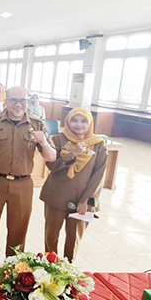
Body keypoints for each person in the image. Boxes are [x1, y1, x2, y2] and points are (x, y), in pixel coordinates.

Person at [0, 86, 56, 271]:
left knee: (19, 225)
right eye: (13, 100)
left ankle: (13, 262)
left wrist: (42, 141)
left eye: (22, 101)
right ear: (6, 101)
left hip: (22, 183)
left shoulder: (37, 125)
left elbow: (51, 157)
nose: (18, 104)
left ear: (28, 102)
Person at [40, 108, 107, 262]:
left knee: (73, 238)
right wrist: (74, 153)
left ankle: (68, 271)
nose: (79, 125)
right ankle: (50, 269)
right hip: (56, 197)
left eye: (83, 121)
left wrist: (85, 200)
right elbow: (52, 166)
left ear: (90, 122)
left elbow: (99, 175)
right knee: (51, 236)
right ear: (67, 122)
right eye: (74, 120)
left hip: (81, 200)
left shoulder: (98, 144)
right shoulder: (58, 139)